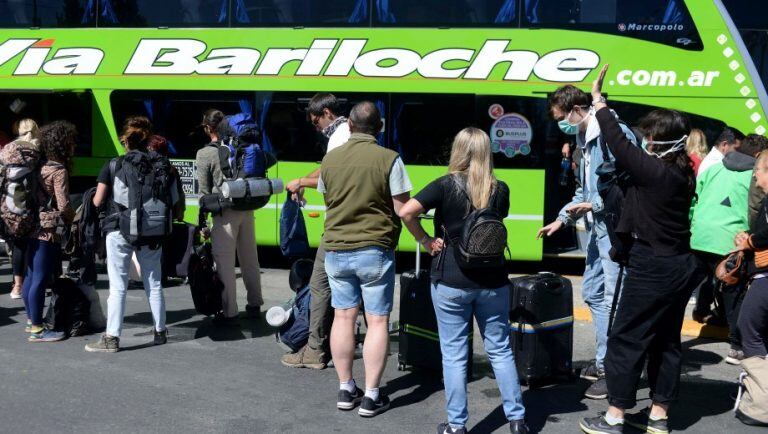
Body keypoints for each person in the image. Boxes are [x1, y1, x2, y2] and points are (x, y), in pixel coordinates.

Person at [579, 65, 706, 434]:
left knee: (625, 337)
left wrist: (599, 100)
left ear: (662, 143)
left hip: (653, 265)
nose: (645, 142)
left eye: (650, 137)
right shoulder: (682, 171)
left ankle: (615, 415)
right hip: (681, 264)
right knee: (665, 340)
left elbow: (618, 142)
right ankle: (659, 416)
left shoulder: (655, 173)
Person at [399, 127, 528, 434]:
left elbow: (406, 212)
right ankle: (518, 420)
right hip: (494, 281)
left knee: (455, 355)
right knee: (500, 350)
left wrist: (427, 239)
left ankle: (457, 425)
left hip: (451, 280)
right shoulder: (501, 188)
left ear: (458, 150)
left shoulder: (445, 185)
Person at [537, 84, 636, 400]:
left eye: (559, 117)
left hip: (617, 230)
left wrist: (592, 206)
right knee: (593, 292)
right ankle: (604, 359)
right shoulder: (582, 138)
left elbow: (631, 189)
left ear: (574, 110)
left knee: (613, 299)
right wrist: (561, 218)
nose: (558, 124)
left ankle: (612, 368)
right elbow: (583, 193)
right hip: (600, 230)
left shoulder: (614, 135)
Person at [319, 101, 411, 417]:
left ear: (351, 127)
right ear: (380, 128)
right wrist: (425, 238)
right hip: (375, 249)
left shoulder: (330, 160)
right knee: (378, 320)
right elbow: (403, 209)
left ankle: (346, 389)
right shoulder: (389, 159)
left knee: (343, 317)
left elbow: (327, 196)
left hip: (336, 248)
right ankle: (372, 395)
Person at [85, 116, 181, 352]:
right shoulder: (165, 166)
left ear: (124, 139)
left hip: (119, 230)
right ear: (148, 138)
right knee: (154, 282)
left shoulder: (114, 165)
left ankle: (111, 338)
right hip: (153, 232)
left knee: (118, 286)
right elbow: (177, 208)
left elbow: (97, 201)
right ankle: (160, 331)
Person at [282, 93, 350, 370]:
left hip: (338, 227)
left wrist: (300, 181)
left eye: (315, 121)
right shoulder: (348, 131)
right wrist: (301, 182)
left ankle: (314, 351)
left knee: (320, 287)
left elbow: (330, 175)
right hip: (357, 228)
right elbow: (326, 167)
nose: (316, 127)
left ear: (326, 113)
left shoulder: (339, 136)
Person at [690, 134, 768, 365]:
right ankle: (736, 346)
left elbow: (695, 200)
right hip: (729, 242)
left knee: (689, 285)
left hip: (700, 236)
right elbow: (755, 212)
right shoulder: (753, 177)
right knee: (733, 291)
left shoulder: (712, 169)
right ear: (757, 157)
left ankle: (672, 331)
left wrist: (694, 227)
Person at [196, 109, 263, 326]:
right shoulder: (239, 146)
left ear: (208, 128)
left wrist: (203, 222)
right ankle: (254, 304)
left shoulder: (205, 153)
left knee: (224, 262)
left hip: (224, 213)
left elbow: (205, 192)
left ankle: (229, 312)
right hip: (247, 207)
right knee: (249, 258)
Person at [21, 121, 76, 342]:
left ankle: (30, 320)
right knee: (40, 279)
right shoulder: (58, 170)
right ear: (62, 144)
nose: (74, 145)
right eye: (71, 141)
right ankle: (37, 329)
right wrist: (75, 220)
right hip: (46, 230)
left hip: (27, 224)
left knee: (31, 275)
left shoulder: (36, 165)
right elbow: (63, 205)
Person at [734, 150, 768, 359]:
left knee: (748, 331)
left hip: (765, 276)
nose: (754, 175)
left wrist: (750, 241)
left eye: (757, 170)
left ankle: (760, 388)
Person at [8, 118, 40, 300]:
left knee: (18, 244)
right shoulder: (37, 150)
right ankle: (35, 282)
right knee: (37, 243)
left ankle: (17, 286)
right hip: (32, 201)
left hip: (11, 202)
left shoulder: (8, 149)